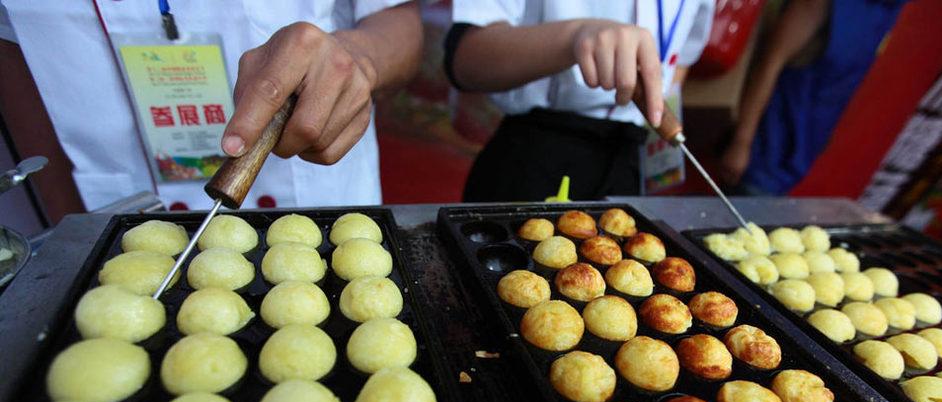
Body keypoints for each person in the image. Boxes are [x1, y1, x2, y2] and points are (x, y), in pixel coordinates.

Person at [0, 0, 422, 211]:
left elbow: (398, 20)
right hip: (118, 198)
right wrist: (69, 246)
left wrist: (358, 60)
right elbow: (18, 69)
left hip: (325, 188)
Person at [444, 1, 714, 202]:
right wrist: (575, 35)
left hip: (630, 159)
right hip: (536, 157)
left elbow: (683, 58)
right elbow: (464, 60)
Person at [719, 0, 912, 196]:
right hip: (762, 152)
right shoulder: (822, 5)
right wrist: (742, 141)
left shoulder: (891, 9)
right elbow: (770, 61)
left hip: (796, 162)